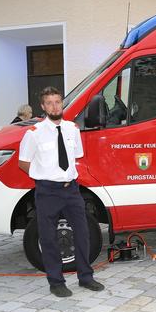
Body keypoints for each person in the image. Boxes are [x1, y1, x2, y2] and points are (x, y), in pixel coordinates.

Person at [18, 87, 104, 297]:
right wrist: (43, 175)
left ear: (62, 104)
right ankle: (56, 281)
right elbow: (23, 163)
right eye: (50, 103)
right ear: (43, 106)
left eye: (58, 102)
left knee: (83, 234)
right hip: (47, 191)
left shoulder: (72, 128)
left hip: (72, 190)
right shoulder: (34, 134)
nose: (55, 106)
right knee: (48, 238)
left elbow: (76, 156)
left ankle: (86, 277)